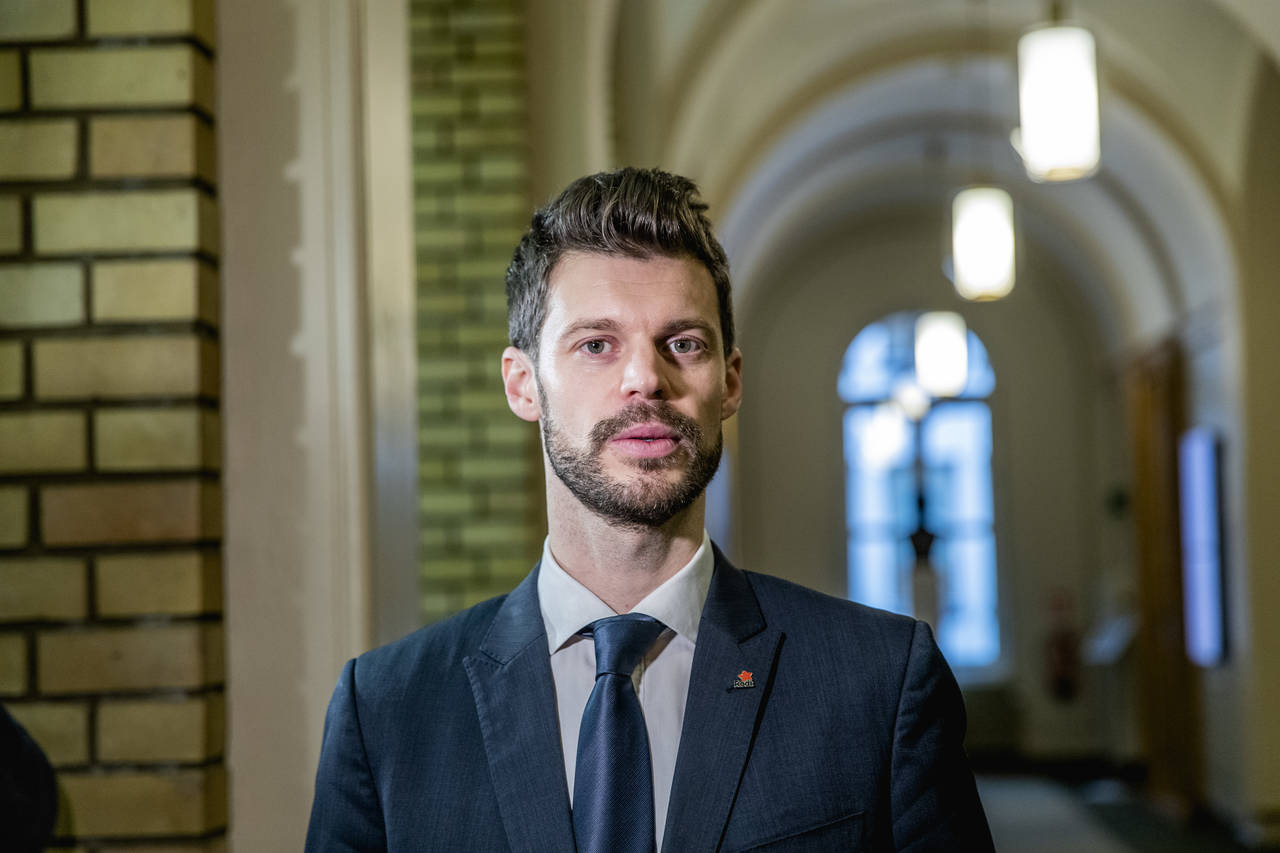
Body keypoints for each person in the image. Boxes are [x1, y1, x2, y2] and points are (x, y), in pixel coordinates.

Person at [305, 167, 994, 852]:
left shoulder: (879, 680)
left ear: (728, 382)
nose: (645, 379)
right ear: (523, 385)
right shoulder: (387, 709)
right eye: (596, 344)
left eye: (684, 343)